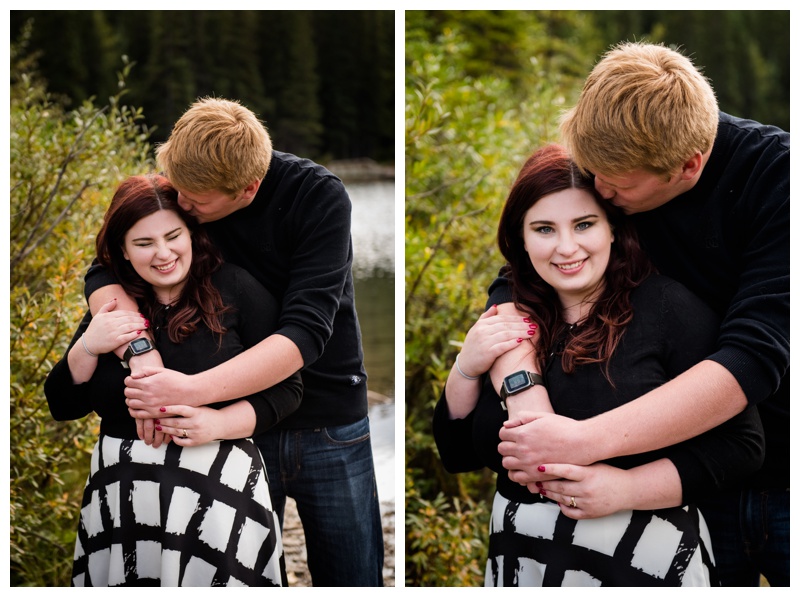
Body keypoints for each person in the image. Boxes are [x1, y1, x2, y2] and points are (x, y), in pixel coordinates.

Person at [490, 42, 789, 586]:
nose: (600, 192)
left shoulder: (778, 180)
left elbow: (754, 356)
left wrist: (582, 440)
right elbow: (518, 284)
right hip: (682, 480)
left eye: (617, 186)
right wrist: (526, 400)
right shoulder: (610, 157)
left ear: (688, 165)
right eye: (592, 173)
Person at [82, 98, 384, 587]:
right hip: (238, 426)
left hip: (328, 422)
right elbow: (106, 269)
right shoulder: (189, 181)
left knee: (352, 574)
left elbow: (303, 336)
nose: (180, 205)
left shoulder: (317, 196)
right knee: (248, 571)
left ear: (248, 189)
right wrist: (142, 354)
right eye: (176, 189)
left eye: (194, 202)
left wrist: (183, 391)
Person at [433, 144, 764, 586]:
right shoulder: (512, 316)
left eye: (584, 224)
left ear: (612, 227)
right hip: (522, 558)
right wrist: (466, 369)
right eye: (544, 229)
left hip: (642, 557)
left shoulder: (668, 309)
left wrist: (627, 489)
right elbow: (456, 454)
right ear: (521, 238)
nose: (566, 247)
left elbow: (743, 445)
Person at [45, 174, 303, 586]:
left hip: (218, 487)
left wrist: (217, 424)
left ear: (192, 234)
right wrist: (89, 347)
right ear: (123, 253)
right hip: (124, 491)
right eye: (144, 244)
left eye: (173, 236)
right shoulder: (113, 306)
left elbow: (289, 390)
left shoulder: (236, 289)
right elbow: (63, 405)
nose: (163, 254)